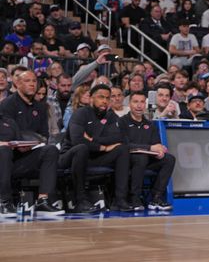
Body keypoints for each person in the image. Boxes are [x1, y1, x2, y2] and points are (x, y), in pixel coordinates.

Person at [62, 83, 133, 212]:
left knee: (122, 149)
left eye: (107, 98)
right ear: (91, 98)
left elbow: (120, 138)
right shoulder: (80, 113)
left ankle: (119, 200)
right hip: (72, 157)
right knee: (82, 148)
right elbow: (77, 140)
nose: (104, 101)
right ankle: (81, 200)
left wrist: (92, 139)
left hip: (95, 157)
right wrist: (103, 148)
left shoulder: (111, 116)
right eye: (101, 97)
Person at [0, 82, 63, 216]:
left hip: (12, 162)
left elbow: (16, 140)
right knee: (3, 151)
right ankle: (3, 201)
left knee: (50, 150)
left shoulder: (8, 121)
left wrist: (24, 146)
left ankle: (42, 201)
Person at [120, 90, 175, 211]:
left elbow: (156, 143)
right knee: (140, 158)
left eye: (142, 102)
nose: (139, 105)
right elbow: (124, 146)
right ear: (129, 104)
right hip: (127, 161)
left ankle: (156, 197)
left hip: (147, 159)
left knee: (169, 159)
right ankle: (135, 198)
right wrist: (149, 148)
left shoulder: (150, 124)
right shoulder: (122, 122)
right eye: (135, 102)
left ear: (145, 105)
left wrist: (159, 149)